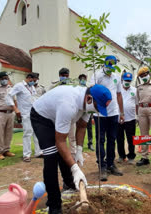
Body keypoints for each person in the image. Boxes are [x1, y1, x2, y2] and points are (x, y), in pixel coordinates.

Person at [30, 84, 111, 214]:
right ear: (89, 99)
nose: (97, 111)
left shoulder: (88, 105)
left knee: (63, 153)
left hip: (55, 114)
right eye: (97, 107)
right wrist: (75, 168)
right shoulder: (69, 105)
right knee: (51, 156)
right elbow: (60, 141)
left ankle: (69, 182)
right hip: (41, 117)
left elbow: (82, 126)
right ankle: (54, 204)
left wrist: (79, 150)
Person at [89, 55, 124, 181]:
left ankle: (110, 164)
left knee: (112, 139)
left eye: (113, 64)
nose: (111, 66)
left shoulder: (116, 77)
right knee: (100, 140)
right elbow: (91, 91)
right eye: (109, 64)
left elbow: (119, 95)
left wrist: (122, 112)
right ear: (104, 63)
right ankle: (102, 166)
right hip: (100, 113)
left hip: (114, 113)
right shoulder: (96, 75)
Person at [6, 73, 42, 162]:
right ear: (29, 78)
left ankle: (38, 152)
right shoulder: (19, 86)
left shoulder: (32, 87)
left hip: (33, 112)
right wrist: (15, 108)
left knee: (36, 132)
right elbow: (9, 96)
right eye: (33, 80)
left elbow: (33, 99)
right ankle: (26, 154)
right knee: (28, 133)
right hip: (25, 113)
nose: (34, 82)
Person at [116, 72, 136, 164]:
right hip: (119, 118)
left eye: (129, 80)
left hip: (131, 118)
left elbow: (137, 104)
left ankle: (131, 156)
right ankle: (121, 156)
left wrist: (137, 116)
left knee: (131, 138)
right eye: (125, 80)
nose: (127, 82)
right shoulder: (118, 89)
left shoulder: (135, 90)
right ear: (122, 80)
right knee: (119, 138)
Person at [79, 74, 94, 151]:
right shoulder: (77, 89)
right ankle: (79, 145)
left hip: (87, 111)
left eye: (84, 79)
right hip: (79, 112)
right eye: (81, 79)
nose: (83, 80)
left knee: (89, 128)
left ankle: (90, 143)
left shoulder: (88, 89)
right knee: (79, 128)